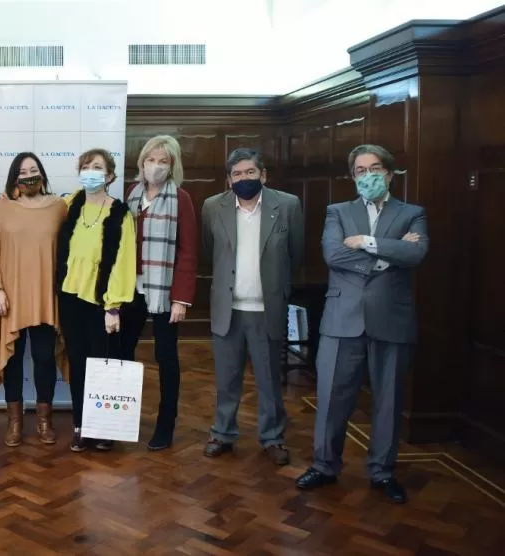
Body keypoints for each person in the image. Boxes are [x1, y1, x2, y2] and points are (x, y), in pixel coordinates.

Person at [296, 144, 428, 504]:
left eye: (373, 168)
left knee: (388, 401)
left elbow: (416, 252)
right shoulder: (338, 211)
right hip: (342, 320)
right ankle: (324, 466)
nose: (366, 175)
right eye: (359, 170)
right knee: (332, 399)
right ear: (353, 176)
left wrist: (368, 242)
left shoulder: (412, 213)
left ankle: (382, 472)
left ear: (388, 173)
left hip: (392, 320)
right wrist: (388, 255)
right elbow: (333, 254)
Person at [201, 148, 303, 465]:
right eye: (237, 174)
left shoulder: (287, 205)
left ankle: (272, 437)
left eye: (250, 172)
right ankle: (223, 433)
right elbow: (210, 251)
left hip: (267, 308)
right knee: (226, 378)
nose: (244, 178)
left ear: (263, 174)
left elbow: (295, 254)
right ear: (228, 179)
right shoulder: (212, 207)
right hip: (227, 308)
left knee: (269, 379)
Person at [0, 152, 67, 447]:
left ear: (43, 174)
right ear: (15, 178)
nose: (28, 175)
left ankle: (44, 420)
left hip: (46, 296)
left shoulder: (59, 207)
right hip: (8, 298)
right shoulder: (3, 208)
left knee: (45, 358)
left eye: (33, 169)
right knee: (11, 361)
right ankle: (14, 422)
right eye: (22, 171)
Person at [119, 135, 198, 451]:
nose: (155, 166)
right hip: (131, 288)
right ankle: (120, 419)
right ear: (141, 163)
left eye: (163, 161)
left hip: (165, 289)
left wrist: (181, 297)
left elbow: (188, 251)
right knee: (122, 351)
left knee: (165, 356)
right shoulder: (132, 194)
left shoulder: (181, 199)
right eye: (150, 160)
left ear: (173, 165)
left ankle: (165, 426)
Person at [56, 148, 137, 452]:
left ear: (110, 176)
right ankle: (80, 425)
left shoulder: (120, 213)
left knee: (100, 362)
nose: (91, 171)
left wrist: (113, 305)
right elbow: (38, 212)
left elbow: (124, 261)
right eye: (86, 166)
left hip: (101, 302)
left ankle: (102, 428)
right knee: (77, 362)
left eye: (98, 167)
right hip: (70, 297)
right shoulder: (70, 203)